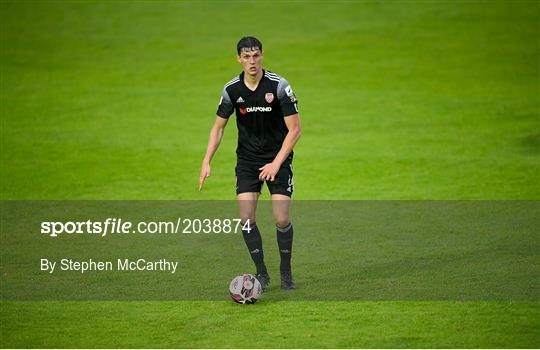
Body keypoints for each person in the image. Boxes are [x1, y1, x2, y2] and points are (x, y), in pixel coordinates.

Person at [199, 36, 301, 290]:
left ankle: (285, 271)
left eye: (255, 55)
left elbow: (295, 130)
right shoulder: (232, 90)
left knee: (281, 219)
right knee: (246, 217)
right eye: (246, 56)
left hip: (277, 158)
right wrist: (206, 161)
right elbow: (218, 128)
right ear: (239, 59)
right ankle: (262, 273)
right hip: (247, 160)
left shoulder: (279, 86)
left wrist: (276, 163)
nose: (251, 61)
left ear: (262, 55)